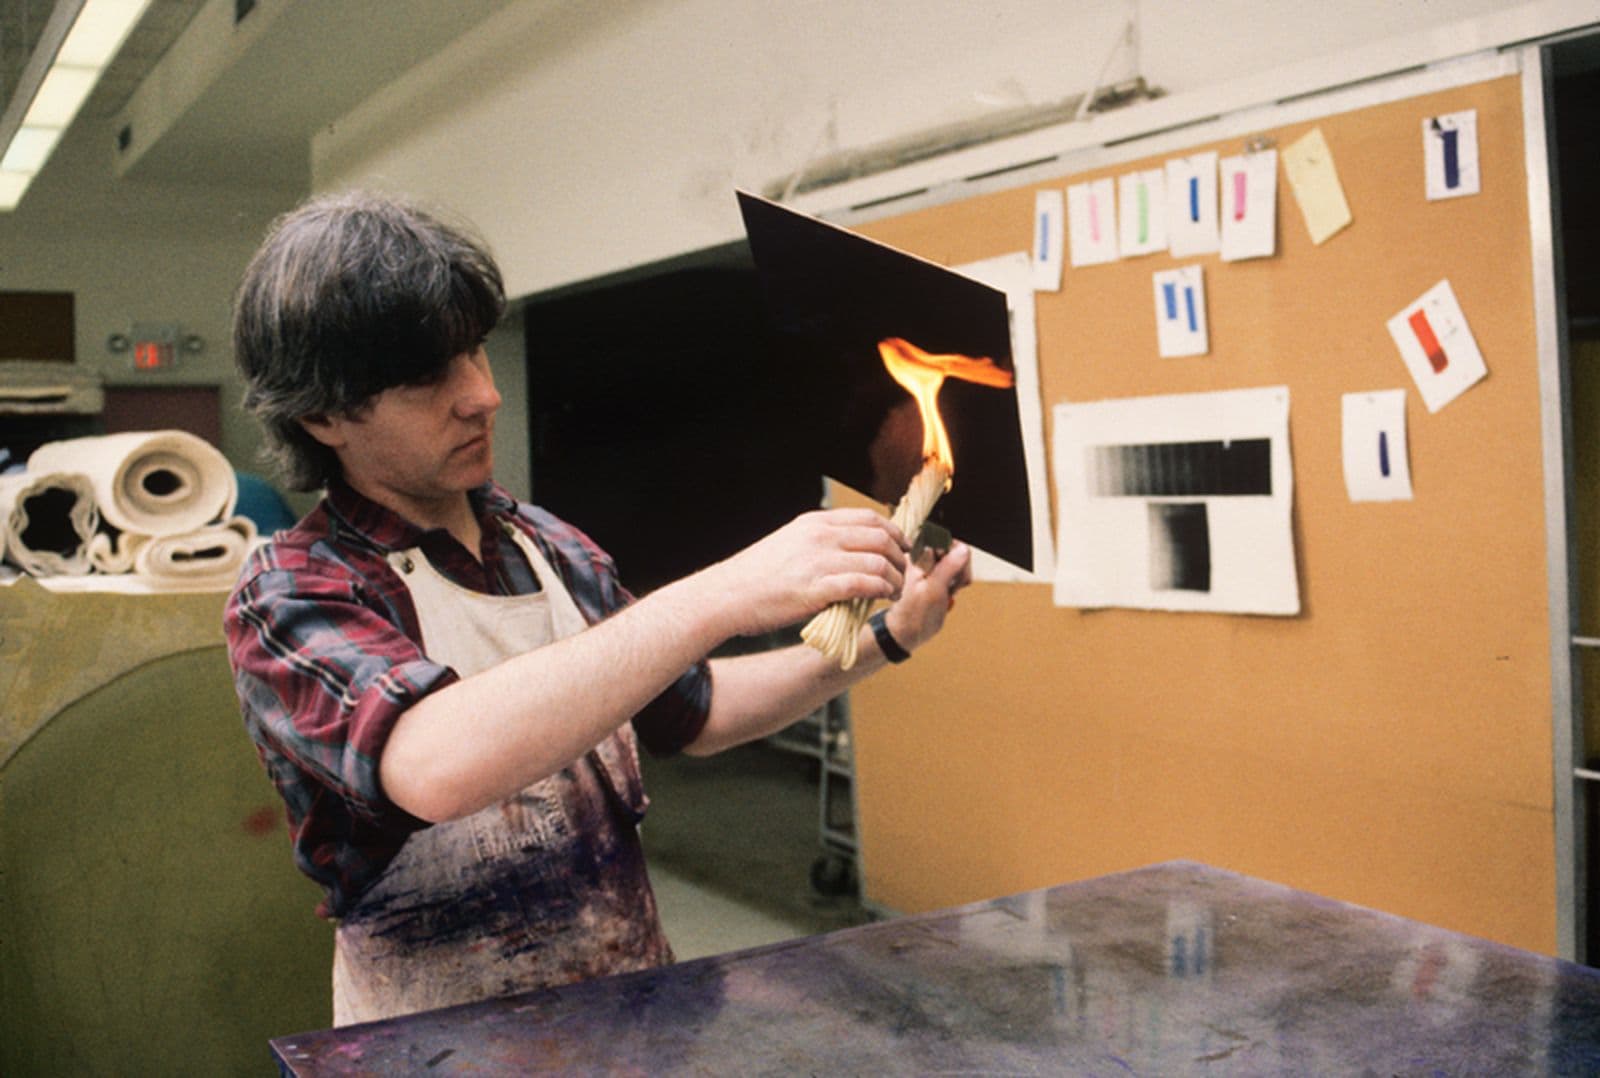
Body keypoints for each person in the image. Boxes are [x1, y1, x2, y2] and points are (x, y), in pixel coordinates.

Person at [223, 190, 971, 1026]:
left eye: (472, 352)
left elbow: (697, 711)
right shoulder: (294, 589)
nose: (482, 394)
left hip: (627, 1021)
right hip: (435, 1045)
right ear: (323, 414)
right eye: (428, 376)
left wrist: (888, 639)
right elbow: (432, 765)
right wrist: (722, 591)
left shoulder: (551, 547)